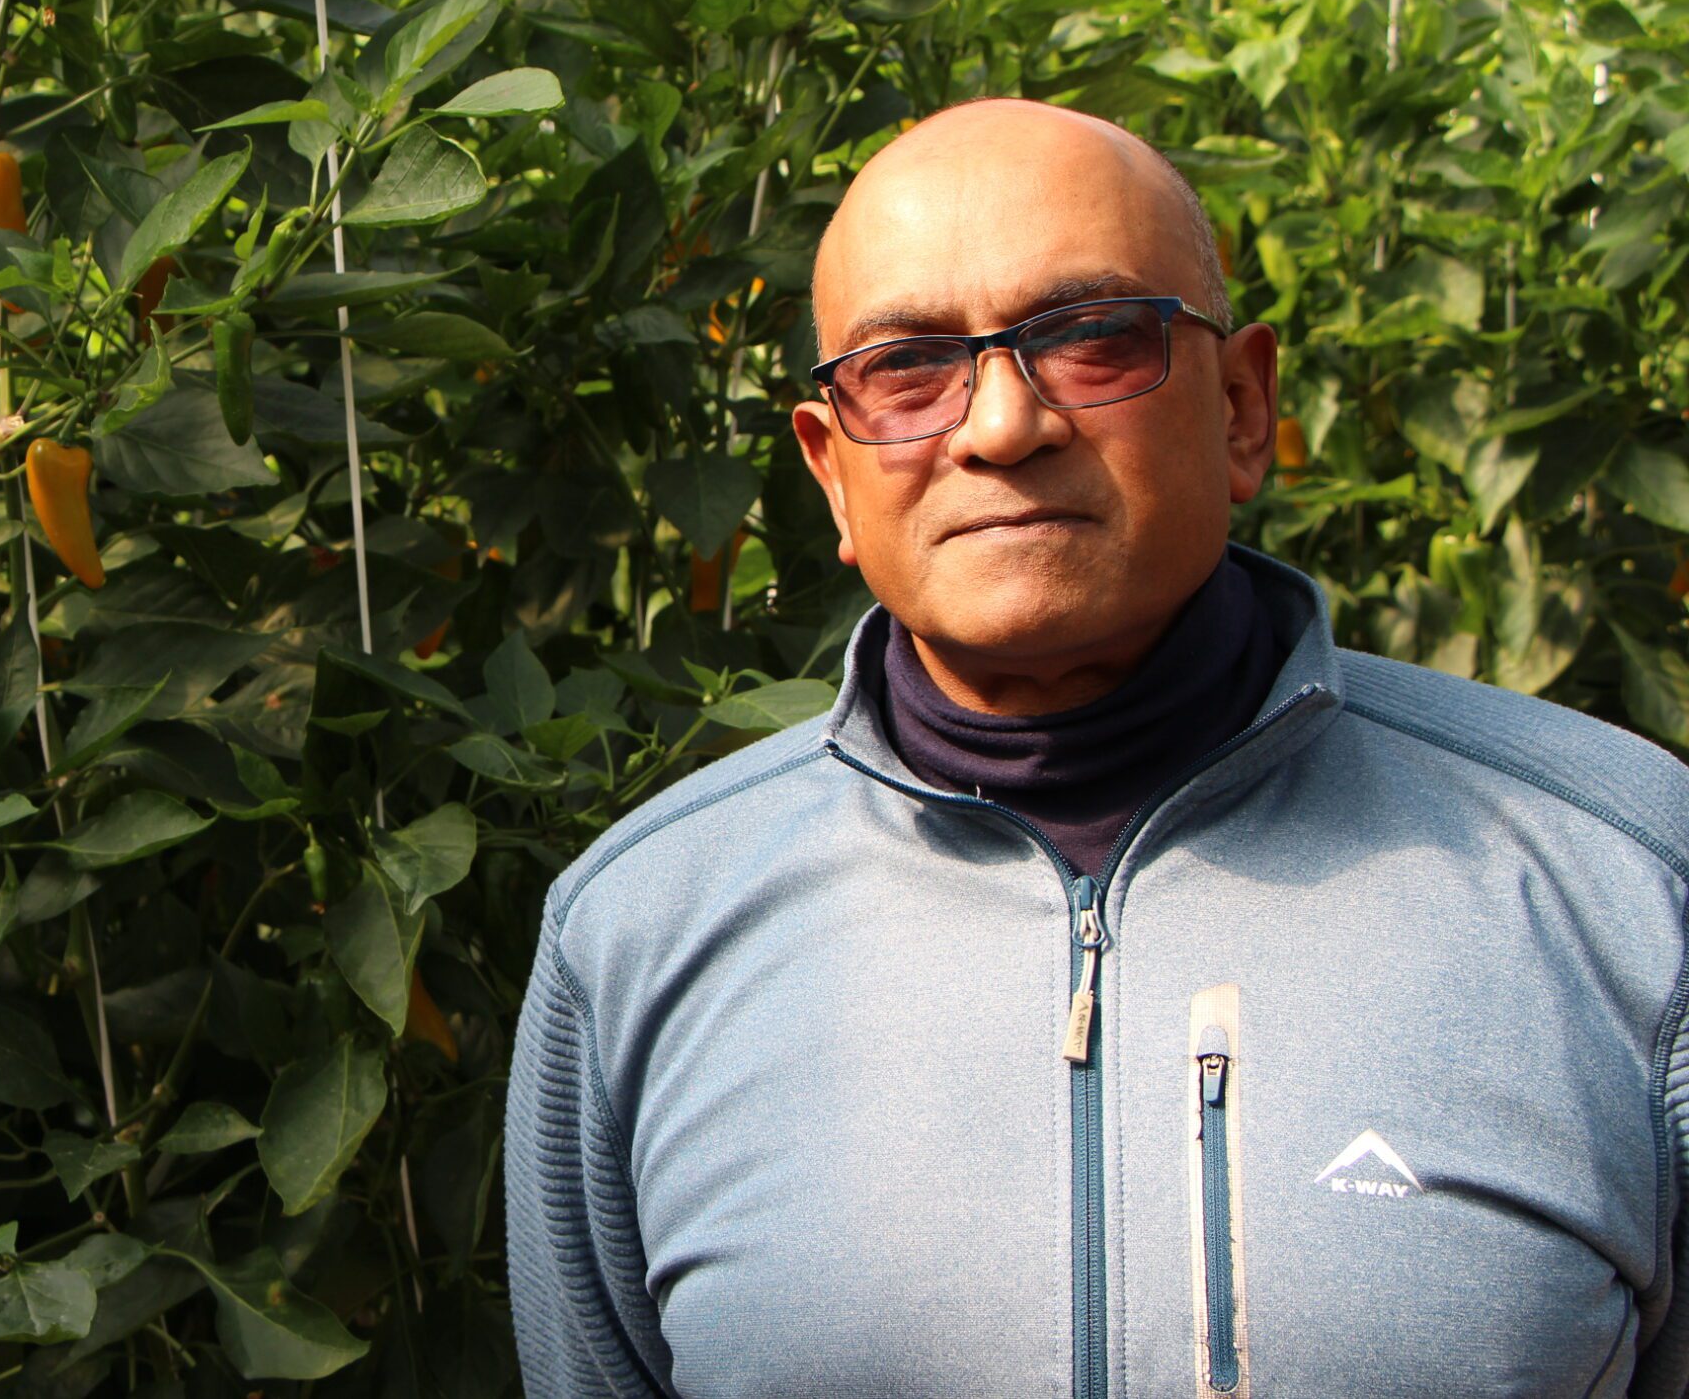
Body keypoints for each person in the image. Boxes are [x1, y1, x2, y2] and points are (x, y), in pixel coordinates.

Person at [504, 98, 1689, 1397]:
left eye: (1091, 340)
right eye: (906, 366)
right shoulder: (639, 940)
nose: (1001, 427)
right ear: (832, 474)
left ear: (1244, 410)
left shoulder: (1625, 882)